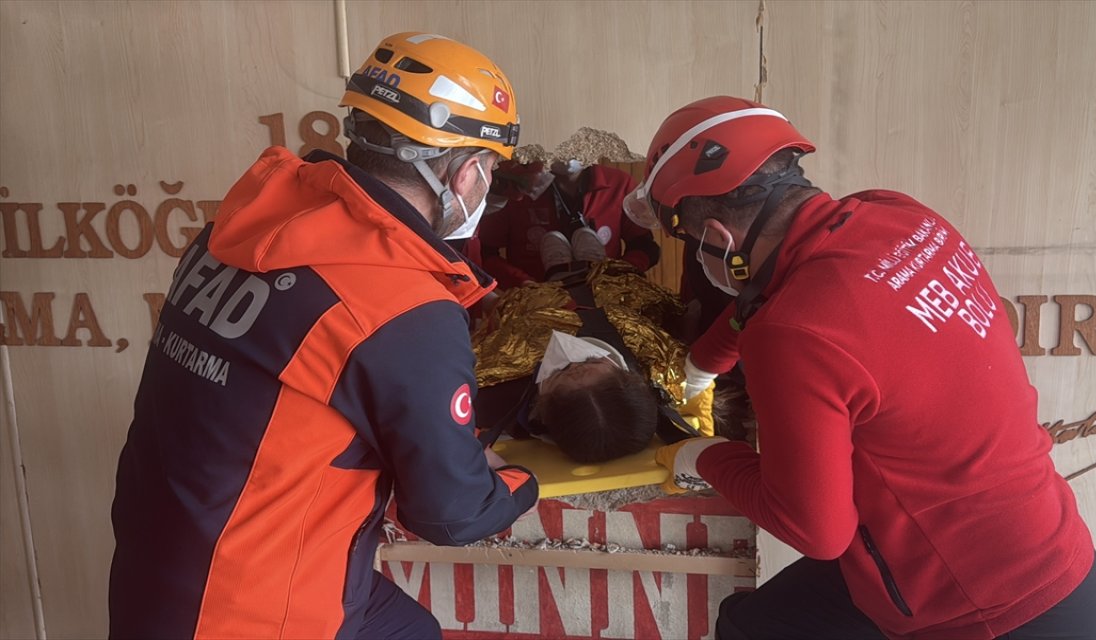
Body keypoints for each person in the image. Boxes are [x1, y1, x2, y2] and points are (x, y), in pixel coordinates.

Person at [633, 96, 1096, 639]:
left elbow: (816, 531)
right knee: (752, 626)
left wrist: (702, 455)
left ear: (719, 239)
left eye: (693, 245)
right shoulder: (896, 215)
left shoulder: (791, 333)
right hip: (1055, 561)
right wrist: (703, 364)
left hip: (983, 614)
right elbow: (780, 300)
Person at [108, 33, 538, 639]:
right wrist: (523, 480)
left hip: (157, 562)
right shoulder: (404, 306)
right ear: (466, 172)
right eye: (491, 168)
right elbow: (453, 514)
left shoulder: (240, 227)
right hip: (251, 608)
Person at [471, 258, 715, 463]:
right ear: (630, 376)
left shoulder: (490, 398)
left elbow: (489, 307)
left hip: (523, 293)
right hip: (602, 272)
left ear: (541, 409)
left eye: (559, 371)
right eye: (591, 360)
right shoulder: (662, 367)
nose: (571, 355)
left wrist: (481, 292)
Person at [477, 157, 661, 287]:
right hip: (538, 301)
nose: (568, 152)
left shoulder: (618, 183)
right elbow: (485, 252)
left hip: (603, 295)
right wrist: (524, 283)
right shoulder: (519, 188)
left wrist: (616, 275)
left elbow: (645, 247)